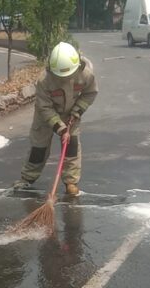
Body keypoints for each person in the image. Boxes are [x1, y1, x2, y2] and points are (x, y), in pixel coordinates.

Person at [13, 42, 98, 196]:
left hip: (71, 113)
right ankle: (27, 178)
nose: (64, 79)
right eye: (60, 76)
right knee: (39, 148)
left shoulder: (85, 75)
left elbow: (90, 93)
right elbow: (44, 107)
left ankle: (71, 182)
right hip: (45, 116)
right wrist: (59, 127)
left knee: (71, 147)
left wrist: (78, 110)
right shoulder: (45, 80)